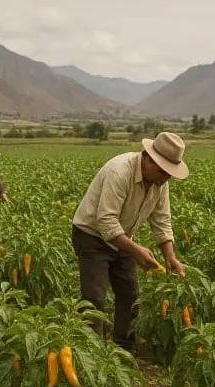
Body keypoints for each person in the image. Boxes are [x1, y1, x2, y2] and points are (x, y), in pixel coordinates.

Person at [72, 132, 188, 348]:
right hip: (91, 235)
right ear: (147, 157)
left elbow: (161, 219)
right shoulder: (120, 171)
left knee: (130, 294)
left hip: (123, 236)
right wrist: (136, 250)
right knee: (95, 297)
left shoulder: (160, 182)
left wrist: (170, 257)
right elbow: (106, 222)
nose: (165, 177)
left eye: (169, 174)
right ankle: (90, 351)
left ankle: (123, 348)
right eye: (163, 171)